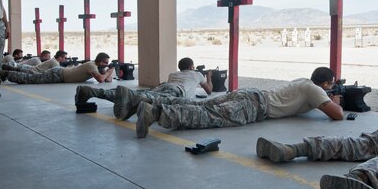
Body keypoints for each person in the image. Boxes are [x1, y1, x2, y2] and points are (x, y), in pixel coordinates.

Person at [135, 66, 344, 138]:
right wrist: (335, 100)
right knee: (208, 116)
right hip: (256, 106)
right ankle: (155, 114)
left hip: (249, 94)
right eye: (330, 84)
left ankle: (148, 101)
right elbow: (337, 115)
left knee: (202, 105)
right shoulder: (315, 90)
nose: (331, 87)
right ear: (325, 83)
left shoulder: (304, 82)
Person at [74, 57, 213, 118]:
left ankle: (94, 91)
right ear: (191, 67)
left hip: (165, 85)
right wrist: (209, 76)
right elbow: (209, 91)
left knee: (143, 94)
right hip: (176, 92)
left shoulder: (173, 74)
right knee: (142, 98)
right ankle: (127, 97)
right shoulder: (197, 74)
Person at [0, 52, 114, 84]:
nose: (106, 64)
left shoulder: (96, 66)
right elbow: (100, 79)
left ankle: (7, 70)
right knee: (30, 79)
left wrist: (109, 72)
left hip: (59, 75)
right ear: (99, 60)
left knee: (31, 75)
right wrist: (109, 71)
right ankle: (6, 73)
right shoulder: (91, 65)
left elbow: (107, 80)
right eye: (105, 62)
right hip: (58, 74)